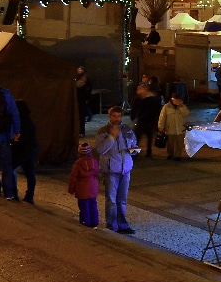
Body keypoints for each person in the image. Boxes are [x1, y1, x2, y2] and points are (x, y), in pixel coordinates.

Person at [96, 106, 139, 234]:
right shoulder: (102, 131)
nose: (116, 119)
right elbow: (100, 150)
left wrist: (134, 150)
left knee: (122, 200)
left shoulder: (127, 130)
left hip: (125, 170)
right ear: (110, 116)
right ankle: (112, 225)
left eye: (119, 116)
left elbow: (133, 146)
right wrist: (111, 137)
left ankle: (123, 225)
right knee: (111, 200)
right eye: (114, 116)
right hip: (111, 171)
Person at [10, 99, 39, 203]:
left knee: (10, 168)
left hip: (22, 151)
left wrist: (12, 144)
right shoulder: (28, 120)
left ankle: (13, 193)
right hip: (31, 150)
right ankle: (29, 196)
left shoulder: (21, 122)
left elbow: (21, 139)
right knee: (30, 173)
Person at [68, 141, 100, 228]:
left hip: (82, 188)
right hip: (93, 186)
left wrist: (71, 189)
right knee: (93, 205)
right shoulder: (94, 161)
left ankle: (85, 222)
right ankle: (95, 222)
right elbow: (97, 173)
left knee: (84, 206)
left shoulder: (77, 164)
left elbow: (73, 177)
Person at [131, 83, 162, 157]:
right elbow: (135, 109)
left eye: (140, 89)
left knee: (147, 136)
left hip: (149, 120)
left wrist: (157, 118)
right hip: (142, 120)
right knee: (138, 137)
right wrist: (133, 115)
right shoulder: (138, 99)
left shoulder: (152, 99)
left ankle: (148, 151)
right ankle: (136, 152)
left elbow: (157, 109)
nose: (138, 91)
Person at [157, 91, 190, 162]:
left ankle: (178, 155)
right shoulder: (166, 107)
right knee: (170, 143)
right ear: (172, 99)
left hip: (180, 128)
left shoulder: (182, 106)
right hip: (170, 129)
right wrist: (161, 127)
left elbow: (186, 114)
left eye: (178, 100)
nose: (177, 102)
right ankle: (170, 154)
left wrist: (181, 106)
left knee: (179, 143)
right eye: (175, 100)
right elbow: (162, 117)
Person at [75, 66, 93, 136]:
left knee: (81, 117)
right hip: (81, 101)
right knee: (80, 117)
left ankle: (81, 131)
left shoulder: (85, 82)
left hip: (82, 102)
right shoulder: (77, 82)